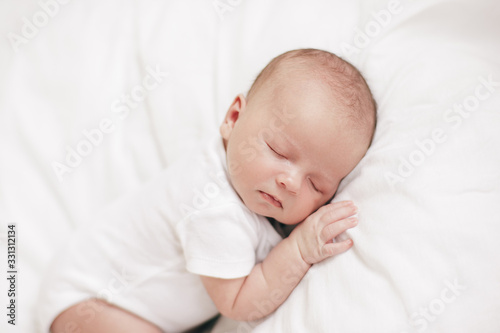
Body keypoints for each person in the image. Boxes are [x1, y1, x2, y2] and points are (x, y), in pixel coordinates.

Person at [38, 48, 377, 333]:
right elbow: (240, 302)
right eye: (278, 151)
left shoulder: (247, 178)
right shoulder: (214, 208)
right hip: (85, 302)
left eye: (316, 185)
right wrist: (301, 250)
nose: (290, 181)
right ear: (233, 118)